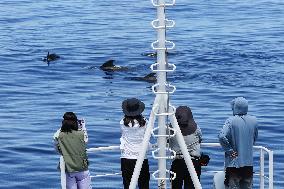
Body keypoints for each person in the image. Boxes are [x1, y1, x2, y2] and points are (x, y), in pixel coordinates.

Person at [218, 97, 258, 189]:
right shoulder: (254, 120)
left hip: (234, 164)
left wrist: (229, 150)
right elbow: (254, 138)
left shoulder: (230, 120)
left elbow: (221, 136)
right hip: (248, 164)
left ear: (235, 107)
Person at [54, 112, 92, 189]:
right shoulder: (81, 133)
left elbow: (57, 147)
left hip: (69, 169)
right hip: (82, 168)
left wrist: (62, 127)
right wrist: (83, 127)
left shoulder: (60, 135)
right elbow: (86, 140)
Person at [169, 106, 202, 189]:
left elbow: (165, 139)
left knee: (175, 187)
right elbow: (200, 139)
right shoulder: (196, 128)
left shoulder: (170, 128)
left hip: (178, 162)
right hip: (194, 162)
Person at [120, 98, 150, 189]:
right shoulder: (145, 123)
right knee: (144, 184)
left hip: (127, 157)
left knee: (128, 185)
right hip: (141, 157)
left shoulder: (122, 123)